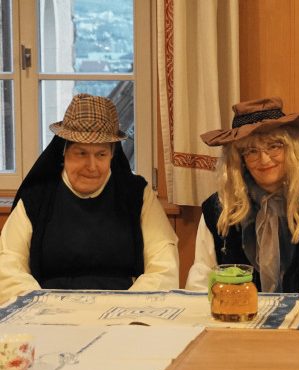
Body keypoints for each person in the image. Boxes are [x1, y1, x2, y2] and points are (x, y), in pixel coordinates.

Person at [0, 94, 179, 303]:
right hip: (49, 310)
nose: (92, 166)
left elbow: (163, 264)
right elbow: (9, 265)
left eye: (101, 154)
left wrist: (126, 306)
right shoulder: (37, 198)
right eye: (81, 153)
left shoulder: (136, 195)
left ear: (112, 154)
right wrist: (42, 305)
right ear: (64, 152)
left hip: (123, 310)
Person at [185, 97, 299, 293]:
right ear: (240, 159)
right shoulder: (219, 209)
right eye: (252, 151)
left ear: (292, 150)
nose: (264, 160)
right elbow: (201, 280)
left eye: (274, 146)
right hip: (234, 311)